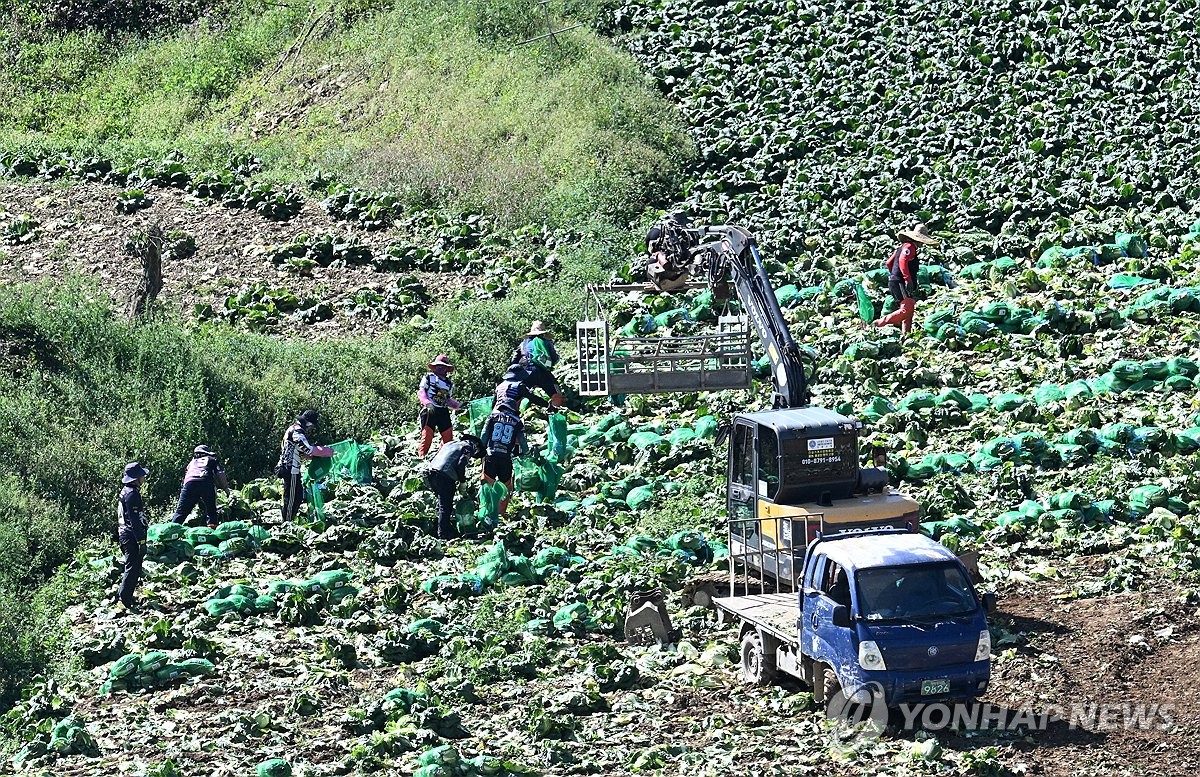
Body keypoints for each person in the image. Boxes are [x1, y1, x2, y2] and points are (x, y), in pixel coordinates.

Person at [872, 223, 939, 334]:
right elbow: (903, 261)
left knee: (910, 307)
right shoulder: (909, 247)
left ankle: (906, 333)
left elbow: (889, 263)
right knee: (906, 309)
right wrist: (906, 279)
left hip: (897, 281)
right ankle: (878, 324)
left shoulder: (902, 247)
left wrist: (894, 275)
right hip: (901, 282)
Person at [422, 434, 484, 540]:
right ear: (476, 445)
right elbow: (461, 464)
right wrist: (462, 481)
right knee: (445, 506)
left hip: (431, 473)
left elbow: (434, 457)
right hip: (445, 476)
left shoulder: (450, 444)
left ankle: (439, 526)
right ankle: (443, 533)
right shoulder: (468, 447)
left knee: (441, 503)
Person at [277, 409, 335, 522]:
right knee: (291, 498)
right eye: (311, 426)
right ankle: (287, 523)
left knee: (298, 496)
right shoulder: (297, 432)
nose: (311, 429)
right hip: (290, 469)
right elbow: (308, 449)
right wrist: (325, 451)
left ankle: (289, 519)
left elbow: (300, 451)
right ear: (308, 423)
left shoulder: (293, 429)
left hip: (290, 467)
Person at [481, 407, 528, 519]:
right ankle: (501, 514)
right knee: (506, 486)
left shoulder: (492, 417)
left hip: (491, 456)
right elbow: (522, 440)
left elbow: (484, 434)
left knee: (488, 484)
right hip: (505, 458)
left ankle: (486, 512)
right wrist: (527, 453)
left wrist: (481, 450)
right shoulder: (517, 421)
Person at [115, 462, 150, 611]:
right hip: (130, 536)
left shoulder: (126, 491)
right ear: (136, 478)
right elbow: (134, 520)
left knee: (132, 567)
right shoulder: (132, 494)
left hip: (125, 534)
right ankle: (124, 600)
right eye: (142, 475)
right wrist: (141, 541)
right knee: (132, 568)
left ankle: (122, 596)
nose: (144, 477)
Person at [171, 445, 231, 528]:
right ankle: (211, 531)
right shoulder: (212, 460)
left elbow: (186, 477)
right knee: (211, 511)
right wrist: (226, 490)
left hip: (189, 484)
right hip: (205, 482)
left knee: (181, 512)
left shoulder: (191, 464)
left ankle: (171, 531)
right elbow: (220, 474)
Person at [417, 355, 461, 456]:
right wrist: (427, 403)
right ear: (435, 367)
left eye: (443, 367)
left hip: (442, 411)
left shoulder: (449, 383)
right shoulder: (429, 377)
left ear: (446, 369)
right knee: (427, 436)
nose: (441, 369)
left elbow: (448, 399)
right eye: (439, 366)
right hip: (430, 409)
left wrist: (458, 405)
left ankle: (442, 457)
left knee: (448, 437)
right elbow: (421, 391)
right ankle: (421, 457)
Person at [509, 323, 564, 405]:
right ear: (543, 333)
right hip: (542, 372)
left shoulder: (523, 343)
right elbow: (554, 359)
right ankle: (557, 411)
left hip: (525, 371)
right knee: (556, 393)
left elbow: (514, 360)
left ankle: (513, 413)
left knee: (518, 394)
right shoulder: (546, 341)